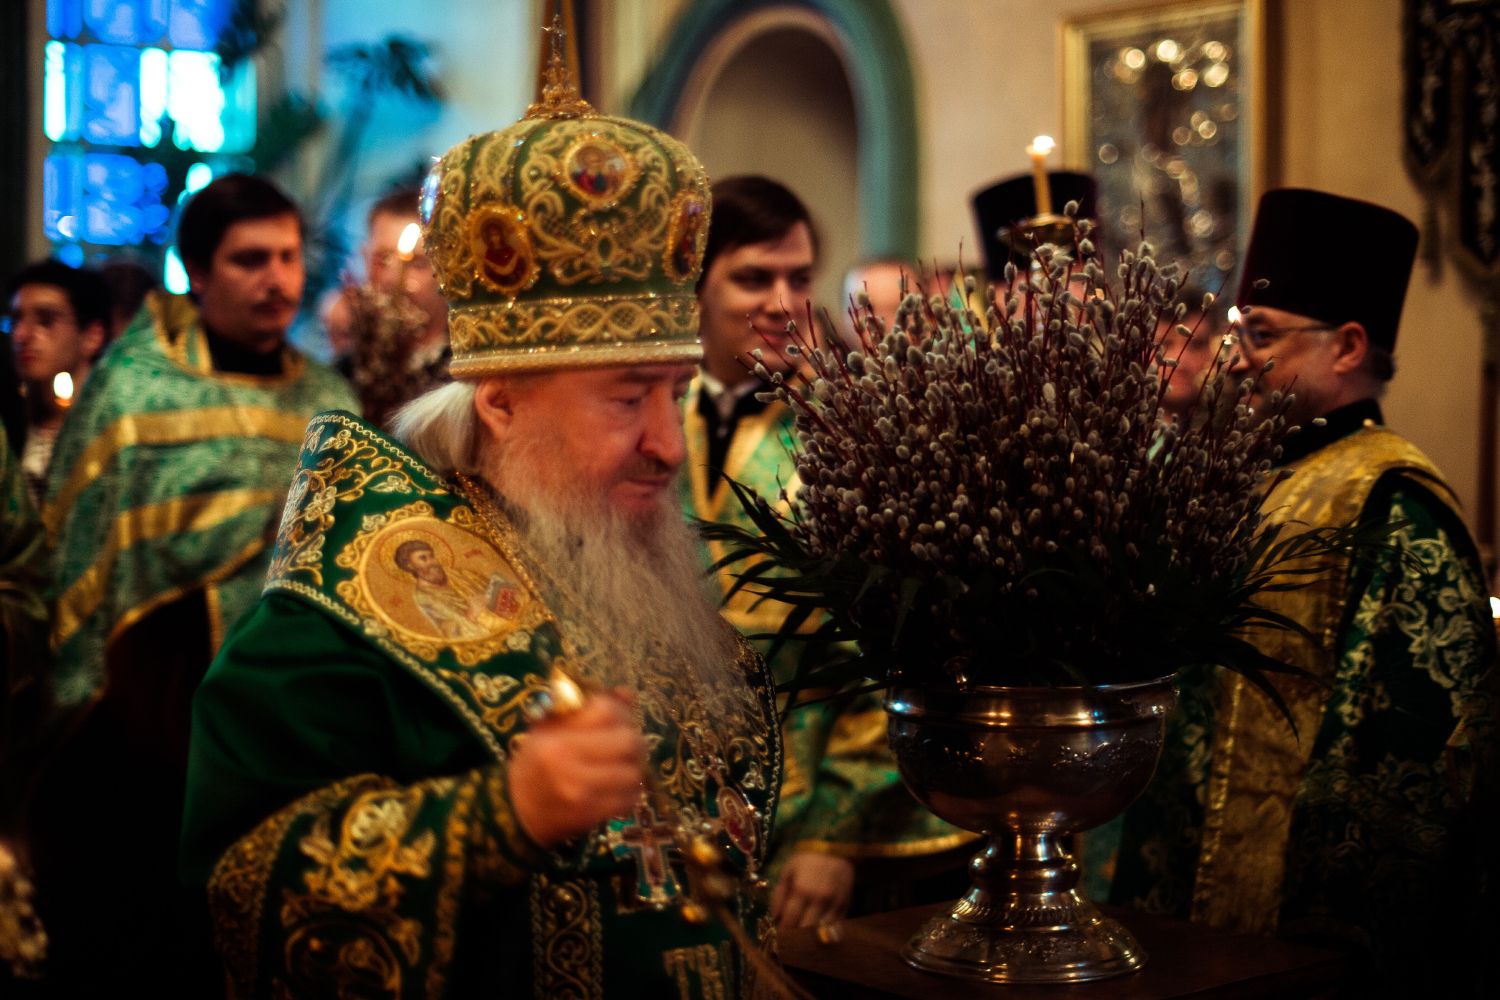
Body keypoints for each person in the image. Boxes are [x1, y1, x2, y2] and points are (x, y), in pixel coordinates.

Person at [181, 41, 781, 999]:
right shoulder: (342, 612)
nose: (669, 445)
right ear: (500, 402)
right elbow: (246, 889)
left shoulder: (629, 568)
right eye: (627, 399)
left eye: (677, 392)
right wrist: (501, 816)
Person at [1108, 188, 1499, 994]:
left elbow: (1403, 755)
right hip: (1178, 900)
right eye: (1237, 331)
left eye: (1261, 334)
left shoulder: (1393, 500)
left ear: (1347, 346)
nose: (1235, 357)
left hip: (1300, 933)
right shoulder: (1241, 477)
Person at [30, 172, 355, 995]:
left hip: (290, 731)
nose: (278, 279)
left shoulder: (329, 399)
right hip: (148, 734)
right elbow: (80, 555)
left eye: (288, 256)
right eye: (251, 260)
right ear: (199, 274)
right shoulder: (133, 391)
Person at [684, 175, 969, 934]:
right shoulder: (645, 421)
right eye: (754, 278)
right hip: (667, 813)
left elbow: (903, 648)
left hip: (807, 814)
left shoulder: (853, 428)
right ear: (694, 286)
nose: (784, 303)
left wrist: (837, 834)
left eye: (800, 278)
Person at [330, 186, 452, 425]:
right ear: (365, 258)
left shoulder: (463, 376)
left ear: (447, 270)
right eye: (382, 259)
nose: (393, 279)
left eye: (417, 263)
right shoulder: (342, 376)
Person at [4, 260, 110, 506]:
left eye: (46, 321)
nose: (22, 335)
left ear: (92, 336)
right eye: (16, 320)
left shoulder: (110, 431)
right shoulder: (11, 425)